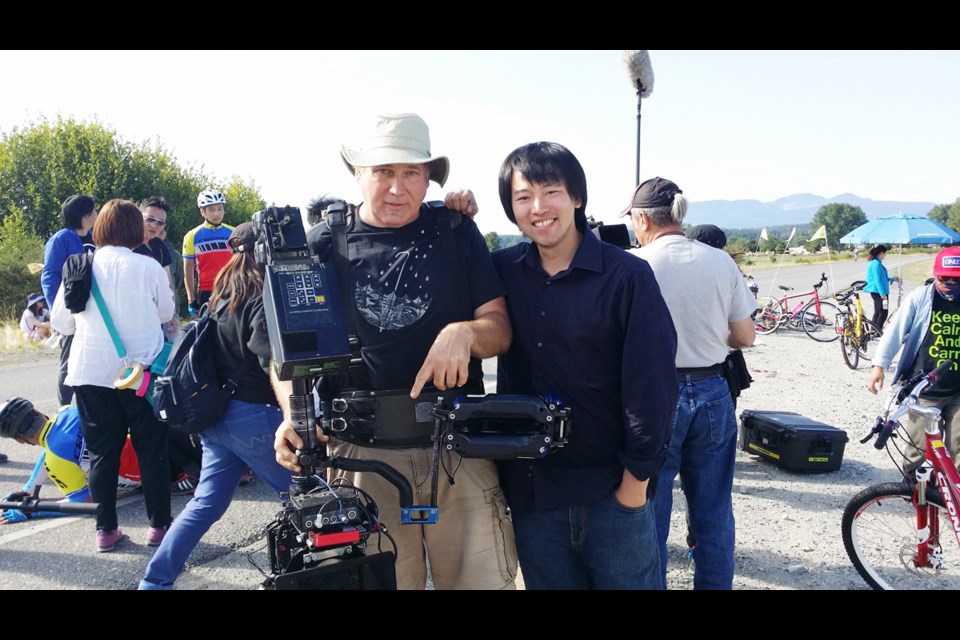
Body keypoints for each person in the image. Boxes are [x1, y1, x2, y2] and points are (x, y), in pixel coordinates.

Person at [274, 112, 515, 590]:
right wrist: (292, 415)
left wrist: (465, 333)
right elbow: (281, 352)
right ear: (358, 175)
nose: (397, 188)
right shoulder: (322, 245)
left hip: (456, 453)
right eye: (383, 172)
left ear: (428, 178)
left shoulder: (455, 232)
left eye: (411, 173)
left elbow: (500, 329)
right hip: (359, 456)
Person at [492, 142, 677, 589]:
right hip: (536, 495)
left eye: (551, 191)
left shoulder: (626, 276)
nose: (538, 208)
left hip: (611, 494)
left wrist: (634, 487)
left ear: (576, 196)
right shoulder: (502, 271)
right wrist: (455, 213)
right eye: (523, 197)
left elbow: (652, 385)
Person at [140, 222, 294, 590]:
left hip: (214, 416)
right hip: (254, 415)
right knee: (308, 496)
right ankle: (312, 576)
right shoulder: (262, 296)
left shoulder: (223, 295)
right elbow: (269, 359)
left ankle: (155, 581)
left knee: (204, 504)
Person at [627, 176, 757, 590]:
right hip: (714, 391)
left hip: (655, 395)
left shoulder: (636, 264)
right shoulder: (721, 261)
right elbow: (745, 337)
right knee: (713, 511)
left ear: (643, 219)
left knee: (651, 512)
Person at [50, 198, 175, 553]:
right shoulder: (148, 266)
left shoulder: (80, 264)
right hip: (142, 373)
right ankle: (159, 527)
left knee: (104, 453)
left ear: (101, 227)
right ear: (136, 229)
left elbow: (61, 322)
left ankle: (105, 530)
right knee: (153, 449)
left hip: (90, 372)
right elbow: (166, 312)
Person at [867, 246, 960, 473]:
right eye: (944, 278)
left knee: (958, 446)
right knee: (917, 447)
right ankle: (912, 491)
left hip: (958, 389)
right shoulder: (921, 297)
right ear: (935, 273)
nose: (950, 283)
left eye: (956, 279)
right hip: (924, 388)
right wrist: (879, 366)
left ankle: (954, 499)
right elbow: (895, 332)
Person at [0, 398, 142, 524]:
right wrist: (26, 491)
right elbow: (52, 448)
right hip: (148, 451)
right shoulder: (66, 410)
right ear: (37, 412)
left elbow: (84, 502)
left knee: (65, 459)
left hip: (140, 478)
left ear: (19, 440)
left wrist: (32, 511)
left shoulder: (55, 460)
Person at [41, 194, 97, 406]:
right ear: (85, 214)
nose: (97, 213)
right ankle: (64, 408)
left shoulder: (95, 237)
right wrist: (56, 311)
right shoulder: (61, 239)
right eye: (94, 209)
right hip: (71, 310)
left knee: (91, 360)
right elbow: (50, 276)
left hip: (94, 310)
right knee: (68, 361)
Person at [182, 189, 234, 315]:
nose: (216, 213)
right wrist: (191, 299)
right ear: (202, 212)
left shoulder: (233, 232)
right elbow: (188, 271)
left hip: (232, 289)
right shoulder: (192, 236)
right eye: (211, 210)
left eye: (220, 208)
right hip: (206, 291)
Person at [137, 197, 178, 339]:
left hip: (157, 317)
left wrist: (172, 313)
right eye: (149, 219)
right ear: (138, 216)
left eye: (161, 223)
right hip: (134, 316)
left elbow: (169, 283)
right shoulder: (126, 246)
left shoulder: (160, 247)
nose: (155, 225)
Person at [863, 244, 898, 328]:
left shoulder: (877, 263)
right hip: (878, 291)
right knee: (882, 312)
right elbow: (876, 279)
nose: (885, 255)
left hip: (879, 291)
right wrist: (882, 294)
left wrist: (892, 279)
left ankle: (875, 329)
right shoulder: (876, 264)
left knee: (880, 311)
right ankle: (877, 330)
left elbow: (882, 277)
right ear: (881, 253)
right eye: (885, 253)